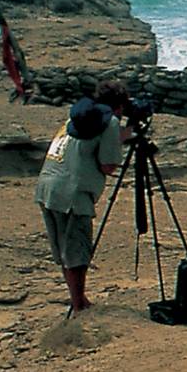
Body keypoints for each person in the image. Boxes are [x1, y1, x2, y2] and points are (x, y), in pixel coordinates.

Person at [34, 80, 130, 314]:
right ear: (118, 106)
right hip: (73, 195)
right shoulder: (109, 122)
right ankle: (79, 306)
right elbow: (108, 165)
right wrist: (122, 136)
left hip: (48, 186)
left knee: (65, 252)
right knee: (77, 251)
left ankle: (78, 300)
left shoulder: (78, 117)